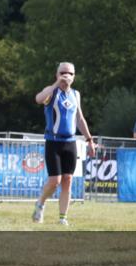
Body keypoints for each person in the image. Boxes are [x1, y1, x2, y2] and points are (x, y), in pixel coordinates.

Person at [32, 62, 96, 225]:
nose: (66, 76)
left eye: (70, 73)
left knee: (68, 179)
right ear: (57, 74)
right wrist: (56, 84)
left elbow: (80, 119)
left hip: (70, 142)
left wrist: (89, 140)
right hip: (53, 142)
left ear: (74, 77)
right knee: (55, 181)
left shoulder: (76, 94)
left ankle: (63, 217)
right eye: (62, 72)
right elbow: (38, 99)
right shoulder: (51, 91)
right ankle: (40, 203)